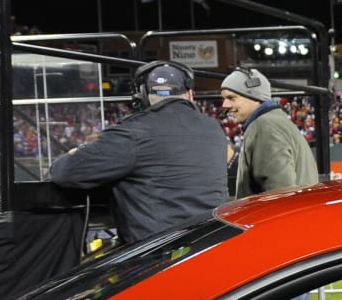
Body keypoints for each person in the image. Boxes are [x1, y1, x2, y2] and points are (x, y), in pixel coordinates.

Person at [48, 60, 230, 247]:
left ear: (142, 96)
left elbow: (63, 172)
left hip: (158, 257)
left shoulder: (135, 132)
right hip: (209, 246)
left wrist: (78, 152)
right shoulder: (213, 128)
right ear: (190, 94)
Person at [220, 66, 318, 197]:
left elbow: (281, 194)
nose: (224, 105)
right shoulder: (274, 121)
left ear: (254, 97)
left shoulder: (264, 126)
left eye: (232, 98)